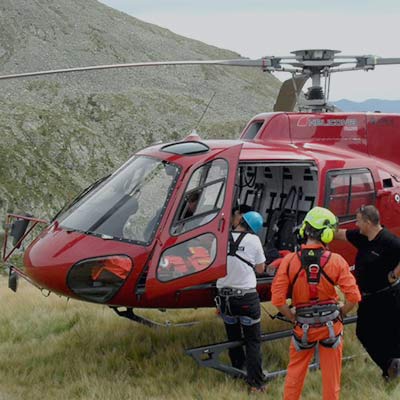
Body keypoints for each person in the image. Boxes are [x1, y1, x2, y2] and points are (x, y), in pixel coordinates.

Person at [271, 206, 361, 400]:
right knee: (331, 380)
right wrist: (342, 312)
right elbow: (353, 296)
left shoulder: (289, 261)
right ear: (327, 234)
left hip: (302, 327)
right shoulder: (336, 261)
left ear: (305, 229)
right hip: (331, 327)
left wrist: (292, 315)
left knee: (294, 374)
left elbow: (277, 300)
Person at [335, 204, 400, 381]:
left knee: (391, 335)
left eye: (358, 221)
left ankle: (391, 371)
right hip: (367, 298)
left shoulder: (389, 240)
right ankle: (390, 365)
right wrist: (320, 229)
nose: (356, 225)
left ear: (369, 222)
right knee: (363, 333)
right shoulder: (362, 237)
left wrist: (394, 274)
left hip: (387, 296)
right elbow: (340, 234)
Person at [216, 207, 266, 393]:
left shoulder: (221, 238)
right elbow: (260, 269)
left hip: (224, 299)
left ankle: (237, 369)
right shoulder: (254, 240)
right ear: (254, 229)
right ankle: (256, 384)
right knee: (252, 341)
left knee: (233, 336)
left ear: (240, 221)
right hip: (246, 298)